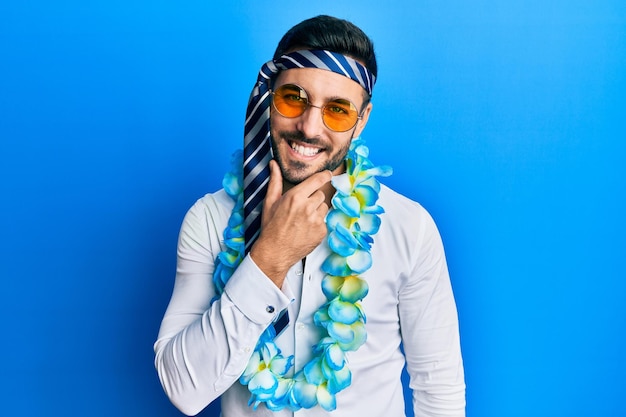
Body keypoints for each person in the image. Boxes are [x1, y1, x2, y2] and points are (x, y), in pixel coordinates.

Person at [154, 15, 465, 417]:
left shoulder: (409, 227)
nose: (309, 127)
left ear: (362, 119)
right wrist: (269, 259)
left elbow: (438, 383)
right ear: (268, 99)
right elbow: (183, 388)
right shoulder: (209, 220)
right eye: (293, 99)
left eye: (337, 110)